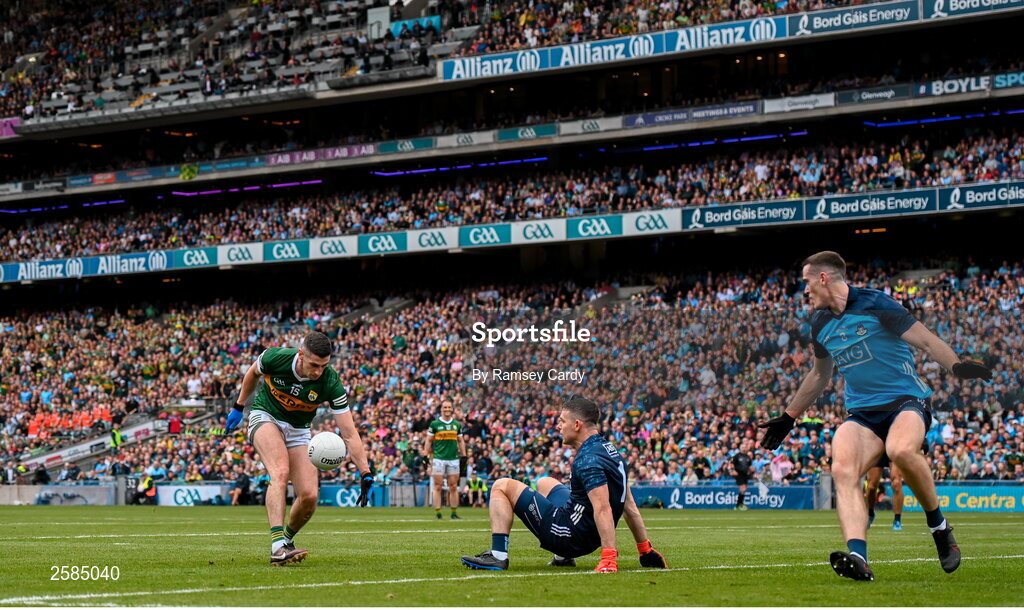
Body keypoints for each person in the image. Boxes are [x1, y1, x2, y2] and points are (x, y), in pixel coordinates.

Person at [758, 251, 991, 581]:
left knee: (900, 450)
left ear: (824, 278)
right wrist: (789, 416)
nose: (805, 290)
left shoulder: (876, 303)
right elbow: (819, 375)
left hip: (906, 402)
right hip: (863, 414)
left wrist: (956, 365)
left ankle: (938, 527)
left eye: (807, 282)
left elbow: (924, 339)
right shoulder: (819, 323)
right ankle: (858, 557)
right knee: (842, 468)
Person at [460, 395, 667, 572]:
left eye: (562, 421)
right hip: (587, 535)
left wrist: (608, 558)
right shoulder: (611, 452)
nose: (558, 426)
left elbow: (603, 508)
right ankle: (562, 558)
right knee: (544, 482)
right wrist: (645, 550)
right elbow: (629, 507)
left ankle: (498, 555)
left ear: (577, 425)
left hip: (569, 535)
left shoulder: (587, 460)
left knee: (501, 485)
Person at [224, 331, 375, 566]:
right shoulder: (276, 357)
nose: (318, 372)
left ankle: (286, 541)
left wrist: (365, 471)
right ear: (301, 354)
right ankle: (276, 548)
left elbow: (349, 432)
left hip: (299, 429)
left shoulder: (330, 381)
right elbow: (253, 372)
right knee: (280, 472)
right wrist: (239, 405)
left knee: (309, 496)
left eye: (323, 366)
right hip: (265, 415)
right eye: (314, 365)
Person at [425, 401, 465, 520]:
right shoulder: (435, 424)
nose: (447, 409)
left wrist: (464, 455)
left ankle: (453, 513)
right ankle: (438, 513)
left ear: (452, 409)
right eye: (445, 407)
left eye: (449, 407)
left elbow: (461, 441)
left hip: (453, 459)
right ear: (441, 409)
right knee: (438, 486)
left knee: (453, 486)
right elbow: (429, 440)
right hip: (439, 458)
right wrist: (425, 454)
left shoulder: (456, 424)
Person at [731, 440, 754, 511]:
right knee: (743, 488)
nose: (744, 448)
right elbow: (731, 464)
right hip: (738, 474)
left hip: (745, 474)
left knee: (744, 489)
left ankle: (739, 504)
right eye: (742, 447)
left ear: (747, 448)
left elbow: (749, 466)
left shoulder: (748, 457)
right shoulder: (737, 456)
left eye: (745, 447)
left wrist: (752, 470)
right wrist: (732, 471)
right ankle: (739, 505)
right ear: (740, 448)